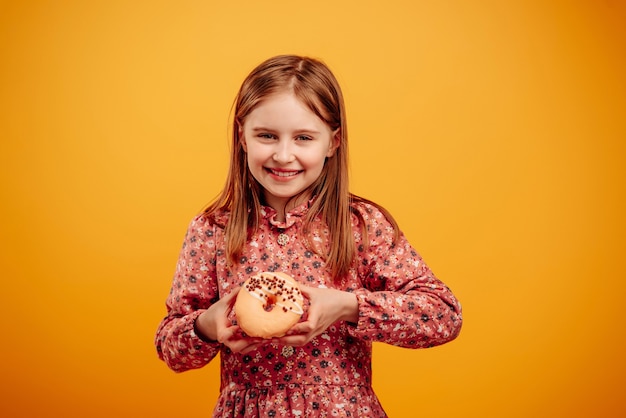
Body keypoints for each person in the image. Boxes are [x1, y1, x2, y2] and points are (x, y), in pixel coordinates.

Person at [155, 54, 462, 417]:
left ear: (332, 142)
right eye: (267, 136)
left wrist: (348, 307)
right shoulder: (212, 231)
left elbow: (443, 316)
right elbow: (171, 350)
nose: (284, 155)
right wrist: (207, 324)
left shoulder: (360, 226)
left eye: (303, 138)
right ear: (242, 137)